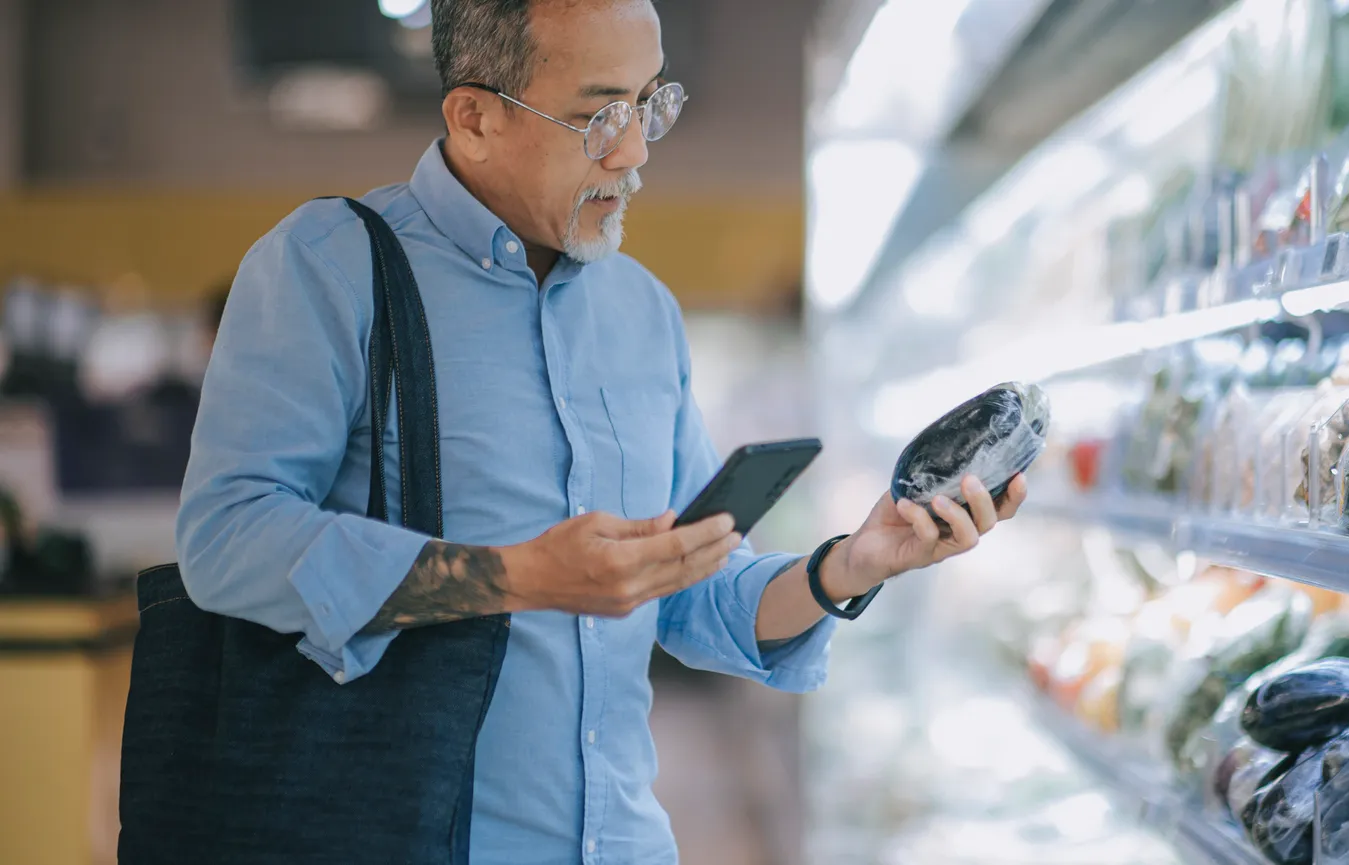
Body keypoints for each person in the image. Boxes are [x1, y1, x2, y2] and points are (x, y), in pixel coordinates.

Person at [168, 1, 1028, 862]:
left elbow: (695, 591)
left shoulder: (642, 311)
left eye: (651, 103)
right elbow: (226, 536)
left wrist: (853, 562)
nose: (636, 150)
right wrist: (513, 578)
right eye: (598, 114)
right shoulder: (329, 266)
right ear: (475, 117)